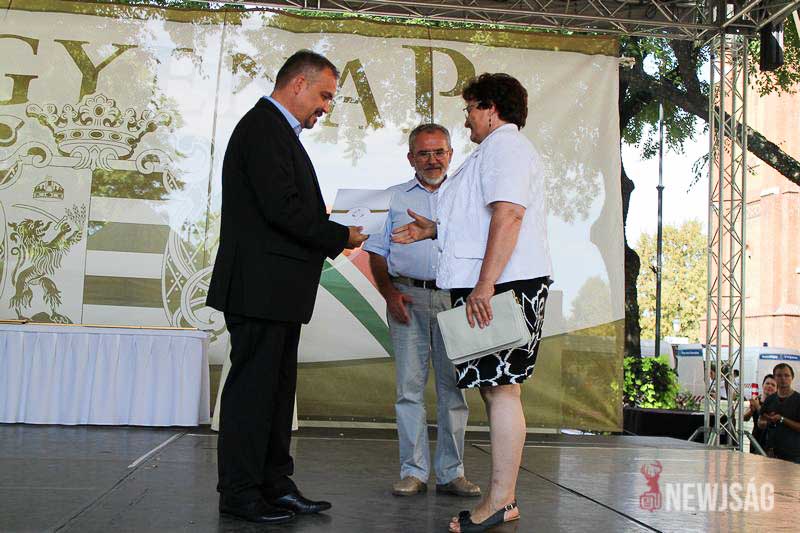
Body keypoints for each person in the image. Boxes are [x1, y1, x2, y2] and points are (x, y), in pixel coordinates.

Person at [206, 50, 367, 523]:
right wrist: (340, 235)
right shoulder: (263, 128)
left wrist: (333, 230)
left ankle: (275, 484)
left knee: (276, 395)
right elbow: (281, 208)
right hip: (258, 288)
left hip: (276, 290)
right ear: (298, 83)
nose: (326, 107)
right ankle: (240, 493)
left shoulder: (277, 131)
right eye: (324, 95)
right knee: (252, 395)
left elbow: (284, 208)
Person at [392, 73, 552, 532]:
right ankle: (503, 499)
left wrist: (485, 284)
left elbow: (509, 214)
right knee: (495, 389)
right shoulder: (493, 151)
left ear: (490, 108)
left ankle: (502, 500)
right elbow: (479, 219)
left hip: (502, 286)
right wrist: (435, 229)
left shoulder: (506, 148)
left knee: (502, 390)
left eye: (469, 109)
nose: (466, 120)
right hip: (494, 284)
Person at [364, 124, 480, 498]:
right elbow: (376, 253)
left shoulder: (467, 196)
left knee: (454, 390)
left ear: (450, 154)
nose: (432, 160)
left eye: (439, 152)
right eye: (424, 153)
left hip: (454, 301)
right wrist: (389, 294)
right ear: (410, 157)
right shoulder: (391, 198)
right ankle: (413, 472)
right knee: (408, 390)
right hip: (406, 298)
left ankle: (451, 473)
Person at [758, 363, 800, 463]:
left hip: (794, 455)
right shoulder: (770, 399)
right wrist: (765, 422)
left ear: (792, 377)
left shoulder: (798, 400)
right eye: (779, 375)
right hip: (771, 453)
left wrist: (782, 419)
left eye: (786, 375)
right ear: (775, 378)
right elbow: (761, 421)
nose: (783, 379)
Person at [743, 374, 776, 454]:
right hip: (756, 439)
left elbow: (771, 420)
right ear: (762, 385)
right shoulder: (756, 400)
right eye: (767, 383)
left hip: (770, 441)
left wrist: (757, 407)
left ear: (776, 389)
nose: (769, 386)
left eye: (773, 385)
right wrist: (751, 411)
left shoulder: (777, 403)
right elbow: (744, 418)